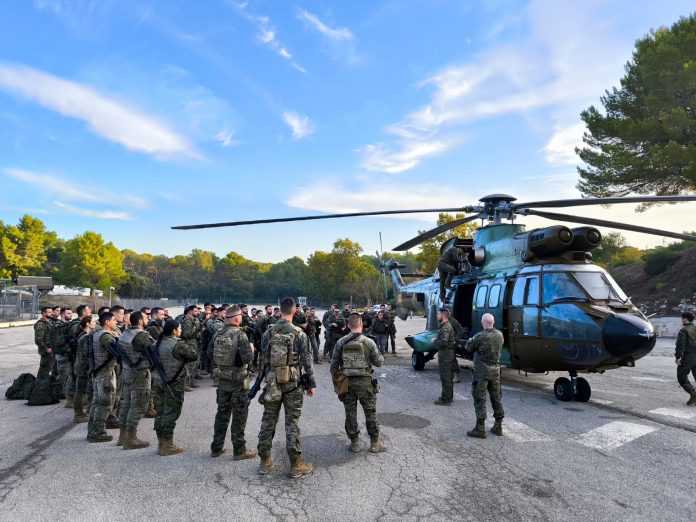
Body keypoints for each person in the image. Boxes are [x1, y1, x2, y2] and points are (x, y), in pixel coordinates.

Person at [256, 297, 316, 479]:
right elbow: (307, 361)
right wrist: (311, 384)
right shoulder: (299, 333)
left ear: (279, 311)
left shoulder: (269, 332)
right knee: (292, 424)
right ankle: (296, 465)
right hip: (293, 384)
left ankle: (265, 462)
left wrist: (263, 379)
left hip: (272, 383)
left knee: (268, 422)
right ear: (294, 311)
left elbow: (262, 358)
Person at [331, 313, 386, 453]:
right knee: (370, 412)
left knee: (350, 413)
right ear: (361, 325)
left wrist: (338, 381)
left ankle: (355, 443)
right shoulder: (369, 342)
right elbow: (379, 362)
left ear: (348, 325)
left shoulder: (341, 342)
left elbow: (333, 366)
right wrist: (379, 355)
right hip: (365, 383)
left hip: (347, 383)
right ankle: (375, 443)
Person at [210, 306, 257, 460]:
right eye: (241, 316)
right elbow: (247, 359)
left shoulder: (218, 333)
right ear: (236, 318)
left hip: (222, 380)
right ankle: (239, 450)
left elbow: (211, 353)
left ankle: (216, 448)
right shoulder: (240, 335)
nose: (242, 318)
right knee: (239, 415)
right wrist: (251, 349)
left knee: (222, 414)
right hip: (238, 382)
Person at [152, 319, 198, 456]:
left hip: (159, 382)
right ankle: (167, 445)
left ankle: (161, 443)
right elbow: (193, 355)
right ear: (174, 331)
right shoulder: (177, 345)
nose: (181, 330)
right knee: (171, 413)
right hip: (174, 383)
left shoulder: (156, 343)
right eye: (179, 328)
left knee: (160, 412)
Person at [116, 311, 156, 449]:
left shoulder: (125, 333)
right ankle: (131, 439)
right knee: (139, 404)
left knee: (126, 403)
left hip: (127, 371)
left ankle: (123, 436)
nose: (147, 320)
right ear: (140, 321)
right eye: (145, 318)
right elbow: (154, 349)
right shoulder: (142, 335)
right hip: (140, 372)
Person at [465, 313, 505, 438]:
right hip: (496, 372)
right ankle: (498, 426)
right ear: (493, 322)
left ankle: (480, 427)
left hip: (482, 373)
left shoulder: (479, 336)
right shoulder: (499, 335)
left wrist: (471, 340)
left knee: (480, 397)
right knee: (496, 397)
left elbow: (468, 347)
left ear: (483, 323)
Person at [87, 312, 121, 443]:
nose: (115, 322)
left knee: (97, 403)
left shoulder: (98, 334)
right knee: (105, 403)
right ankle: (98, 433)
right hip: (105, 373)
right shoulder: (106, 337)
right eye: (113, 320)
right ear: (107, 322)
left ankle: (93, 430)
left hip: (99, 372)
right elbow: (119, 351)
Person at [73, 315, 95, 423]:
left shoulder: (85, 335)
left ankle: (80, 413)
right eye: (93, 322)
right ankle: (78, 414)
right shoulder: (85, 337)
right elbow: (87, 354)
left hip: (81, 366)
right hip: (83, 367)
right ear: (88, 324)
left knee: (80, 390)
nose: (95, 324)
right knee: (80, 391)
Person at [432, 308, 456, 405]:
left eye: (438, 315)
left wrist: (435, 341)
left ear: (443, 316)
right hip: (447, 354)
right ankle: (448, 396)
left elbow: (444, 342)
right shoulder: (446, 326)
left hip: (446, 354)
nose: (437, 316)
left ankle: (446, 399)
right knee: (448, 376)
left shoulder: (445, 327)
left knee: (445, 376)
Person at [675, 311, 696, 406]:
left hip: (688, 357)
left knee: (681, 375)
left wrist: (678, 357)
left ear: (685, 319)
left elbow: (681, 345)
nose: (681, 320)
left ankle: (693, 394)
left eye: (682, 319)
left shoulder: (684, 330)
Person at [180, 305, 201, 389]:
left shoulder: (194, 320)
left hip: (194, 342)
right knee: (189, 365)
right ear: (190, 312)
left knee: (195, 364)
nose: (197, 312)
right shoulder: (187, 321)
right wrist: (195, 326)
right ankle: (186, 384)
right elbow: (186, 334)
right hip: (189, 343)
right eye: (195, 311)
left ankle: (192, 382)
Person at [34, 306, 54, 378]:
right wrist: (46, 349)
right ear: (43, 313)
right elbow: (38, 339)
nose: (51, 313)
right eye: (49, 312)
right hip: (46, 351)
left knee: (50, 369)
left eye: (51, 312)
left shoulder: (50, 322)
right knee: (44, 370)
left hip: (52, 350)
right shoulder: (41, 324)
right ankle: (39, 385)